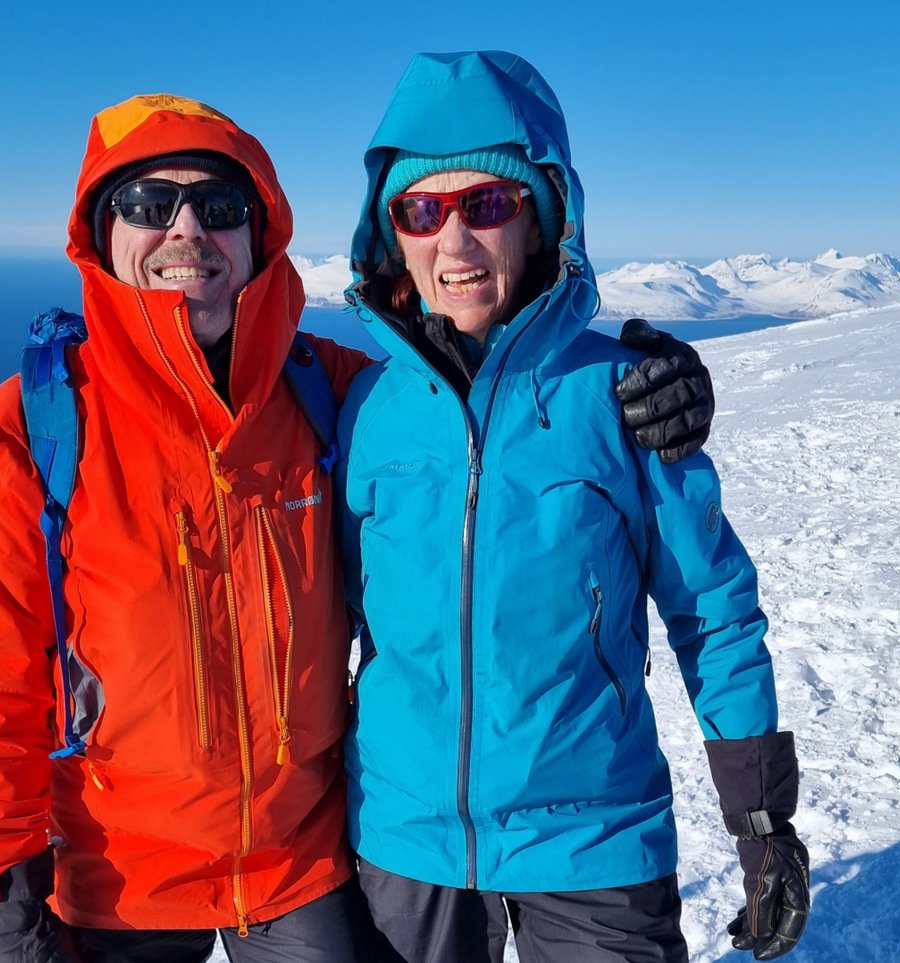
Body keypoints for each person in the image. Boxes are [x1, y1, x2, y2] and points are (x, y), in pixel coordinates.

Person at [0, 93, 717, 963]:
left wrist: (651, 378)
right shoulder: (34, 428)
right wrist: (9, 897)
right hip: (120, 875)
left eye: (220, 207)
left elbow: (457, 401)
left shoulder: (323, 390)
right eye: (149, 204)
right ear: (101, 232)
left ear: (257, 237)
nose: (186, 228)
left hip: (297, 866)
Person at [335, 51, 811, 963]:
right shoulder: (364, 412)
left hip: (594, 830)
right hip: (405, 838)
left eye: (488, 204)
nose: (455, 242)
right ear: (393, 232)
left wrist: (759, 818)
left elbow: (712, 610)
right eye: (423, 210)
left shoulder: (626, 395)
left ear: (543, 214)